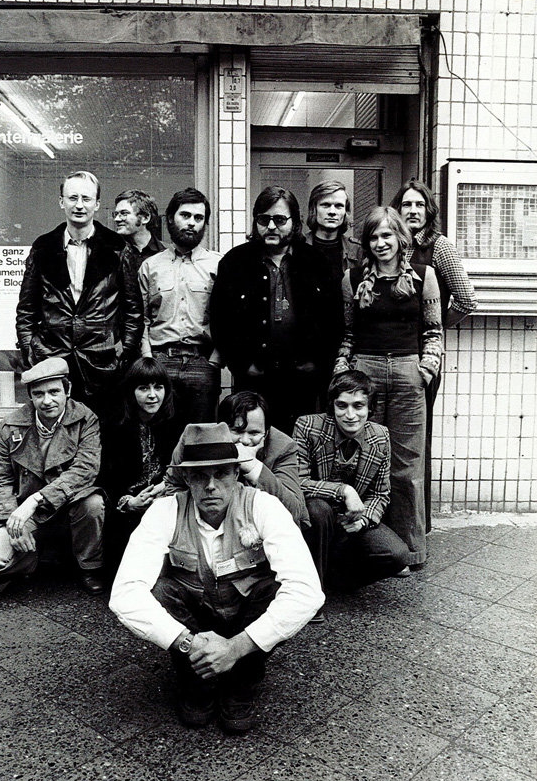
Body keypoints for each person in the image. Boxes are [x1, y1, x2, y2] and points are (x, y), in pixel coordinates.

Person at [109, 423, 324, 733]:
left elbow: (307, 591)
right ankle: (197, 679)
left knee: (278, 588)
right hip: (195, 624)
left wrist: (236, 648)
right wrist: (189, 643)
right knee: (160, 590)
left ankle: (241, 682)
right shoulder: (164, 511)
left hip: (245, 621)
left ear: (237, 474)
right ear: (186, 479)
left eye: (221, 473)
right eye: (199, 476)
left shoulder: (263, 506)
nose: (211, 486)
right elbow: (125, 594)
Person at [333, 206, 443, 568]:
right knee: (367, 459)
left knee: (407, 465)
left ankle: (410, 552)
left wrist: (424, 370)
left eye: (386, 235)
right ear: (366, 243)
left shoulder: (424, 276)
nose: (380, 243)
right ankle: (369, 548)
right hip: (366, 371)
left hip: (408, 372)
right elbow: (347, 334)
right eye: (373, 237)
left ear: (400, 237)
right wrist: (342, 370)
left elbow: (433, 332)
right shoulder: (352, 280)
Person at [210, 185, 343, 434]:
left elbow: (334, 320)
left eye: (280, 219)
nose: (271, 226)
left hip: (304, 379)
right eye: (263, 219)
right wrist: (242, 364)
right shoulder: (234, 262)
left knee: (301, 443)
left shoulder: (316, 262)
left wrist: (317, 363)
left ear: (294, 222)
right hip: (254, 377)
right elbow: (219, 321)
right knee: (253, 439)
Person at [0, 358, 105, 596]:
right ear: (30, 396)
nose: (47, 400)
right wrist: (12, 520)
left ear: (67, 390)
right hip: (24, 513)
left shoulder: (85, 419)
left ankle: (89, 566)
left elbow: (85, 469)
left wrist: (35, 500)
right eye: (38, 394)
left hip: (67, 507)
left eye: (54, 392)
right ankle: (35, 558)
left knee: (93, 504)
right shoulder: (11, 425)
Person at [16, 170, 143, 414]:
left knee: (101, 437)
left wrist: (123, 353)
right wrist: (30, 350)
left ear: (97, 204)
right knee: (56, 440)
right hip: (52, 361)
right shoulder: (43, 248)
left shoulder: (117, 248)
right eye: (72, 198)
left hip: (102, 364)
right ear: (61, 201)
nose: (79, 205)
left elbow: (133, 310)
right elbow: (26, 310)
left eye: (86, 199)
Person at [391, 178, 477, 533]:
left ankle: (417, 524)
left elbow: (466, 299)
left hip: (422, 359)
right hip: (388, 354)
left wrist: (435, 329)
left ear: (429, 211)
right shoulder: (390, 244)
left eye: (419, 205)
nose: (412, 211)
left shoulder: (439, 247)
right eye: (406, 204)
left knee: (416, 443)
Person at [293, 370, 411, 602]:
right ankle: (310, 595)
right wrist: (344, 491)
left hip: (351, 523)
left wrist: (363, 519)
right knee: (318, 510)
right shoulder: (308, 426)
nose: (350, 415)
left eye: (358, 406)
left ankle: (333, 582)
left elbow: (381, 493)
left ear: (370, 408)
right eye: (342, 405)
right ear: (332, 406)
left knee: (397, 555)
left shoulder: (380, 436)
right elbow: (296, 482)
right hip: (315, 522)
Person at [138, 187, 221, 425]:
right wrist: (148, 360)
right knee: (159, 436)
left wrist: (215, 361)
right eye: (185, 215)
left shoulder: (218, 265)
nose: (192, 223)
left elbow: (227, 319)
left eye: (198, 218)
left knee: (200, 439)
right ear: (171, 219)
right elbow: (140, 319)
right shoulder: (150, 267)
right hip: (160, 361)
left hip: (202, 363)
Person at [165, 390, 308, 527]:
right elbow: (174, 486)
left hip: (259, 525)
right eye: (237, 431)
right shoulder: (193, 438)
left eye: (254, 433)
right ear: (221, 428)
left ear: (266, 432)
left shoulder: (283, 447)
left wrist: (253, 466)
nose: (245, 440)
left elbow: (295, 511)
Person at [100, 356, 179, 577]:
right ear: (131, 392)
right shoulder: (114, 426)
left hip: (165, 496)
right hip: (128, 506)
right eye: (144, 388)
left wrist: (164, 487)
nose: (153, 395)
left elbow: (182, 467)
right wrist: (128, 502)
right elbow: (105, 476)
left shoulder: (175, 422)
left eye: (158, 387)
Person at [304, 181, 362, 394]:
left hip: (344, 343)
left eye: (339, 206)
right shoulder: (297, 248)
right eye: (325, 205)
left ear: (346, 212)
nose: (332, 211)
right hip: (306, 344)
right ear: (314, 209)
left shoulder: (358, 251)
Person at [113, 189, 165, 280]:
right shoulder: (110, 254)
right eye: (116, 214)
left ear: (145, 218)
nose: (117, 219)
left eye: (124, 213)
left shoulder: (167, 253)